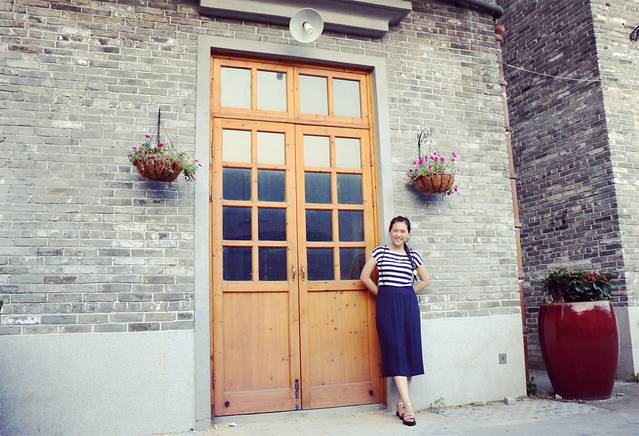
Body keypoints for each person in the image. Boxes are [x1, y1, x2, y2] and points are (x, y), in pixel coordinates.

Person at [360, 215, 430, 426]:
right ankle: (409, 407)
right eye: (395, 230)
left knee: (408, 351)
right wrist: (382, 294)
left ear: (408, 234)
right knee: (395, 351)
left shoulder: (413, 255)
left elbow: (426, 280)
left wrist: (407, 293)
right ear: (390, 231)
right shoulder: (380, 252)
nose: (398, 234)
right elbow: (364, 277)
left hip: (408, 305)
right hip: (387, 305)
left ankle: (401, 403)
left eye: (403, 231)